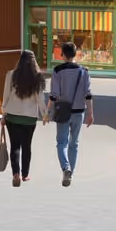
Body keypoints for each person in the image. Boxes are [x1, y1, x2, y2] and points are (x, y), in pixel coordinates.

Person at [47, 41, 94, 187]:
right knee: (74, 143)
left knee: (62, 142)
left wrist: (47, 112)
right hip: (79, 112)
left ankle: (66, 168)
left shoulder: (58, 71)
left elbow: (54, 95)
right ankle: (70, 174)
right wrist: (90, 113)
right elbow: (88, 94)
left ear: (62, 54)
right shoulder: (84, 71)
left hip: (63, 112)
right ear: (76, 54)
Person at [0, 50, 47, 187]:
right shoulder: (37, 76)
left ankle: (16, 174)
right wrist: (45, 114)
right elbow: (40, 98)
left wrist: (3, 114)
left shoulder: (11, 75)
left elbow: (6, 96)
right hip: (29, 119)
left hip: (12, 117)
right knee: (27, 146)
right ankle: (25, 175)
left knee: (14, 146)